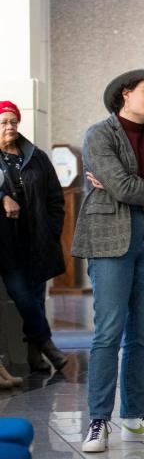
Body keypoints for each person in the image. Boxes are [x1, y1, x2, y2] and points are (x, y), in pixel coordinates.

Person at [72, 69, 144, 452]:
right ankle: (98, 420)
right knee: (108, 332)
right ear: (126, 94)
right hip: (110, 239)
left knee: (141, 335)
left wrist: (140, 189)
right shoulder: (98, 134)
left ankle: (135, 417)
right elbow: (126, 187)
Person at [0, 101, 68, 374]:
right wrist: (2, 196)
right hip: (5, 244)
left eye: (14, 122)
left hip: (38, 240)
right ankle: (47, 345)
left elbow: (55, 198)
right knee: (22, 296)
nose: (10, 127)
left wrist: (52, 230)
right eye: (4, 122)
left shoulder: (36, 156)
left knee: (36, 298)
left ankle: (35, 355)